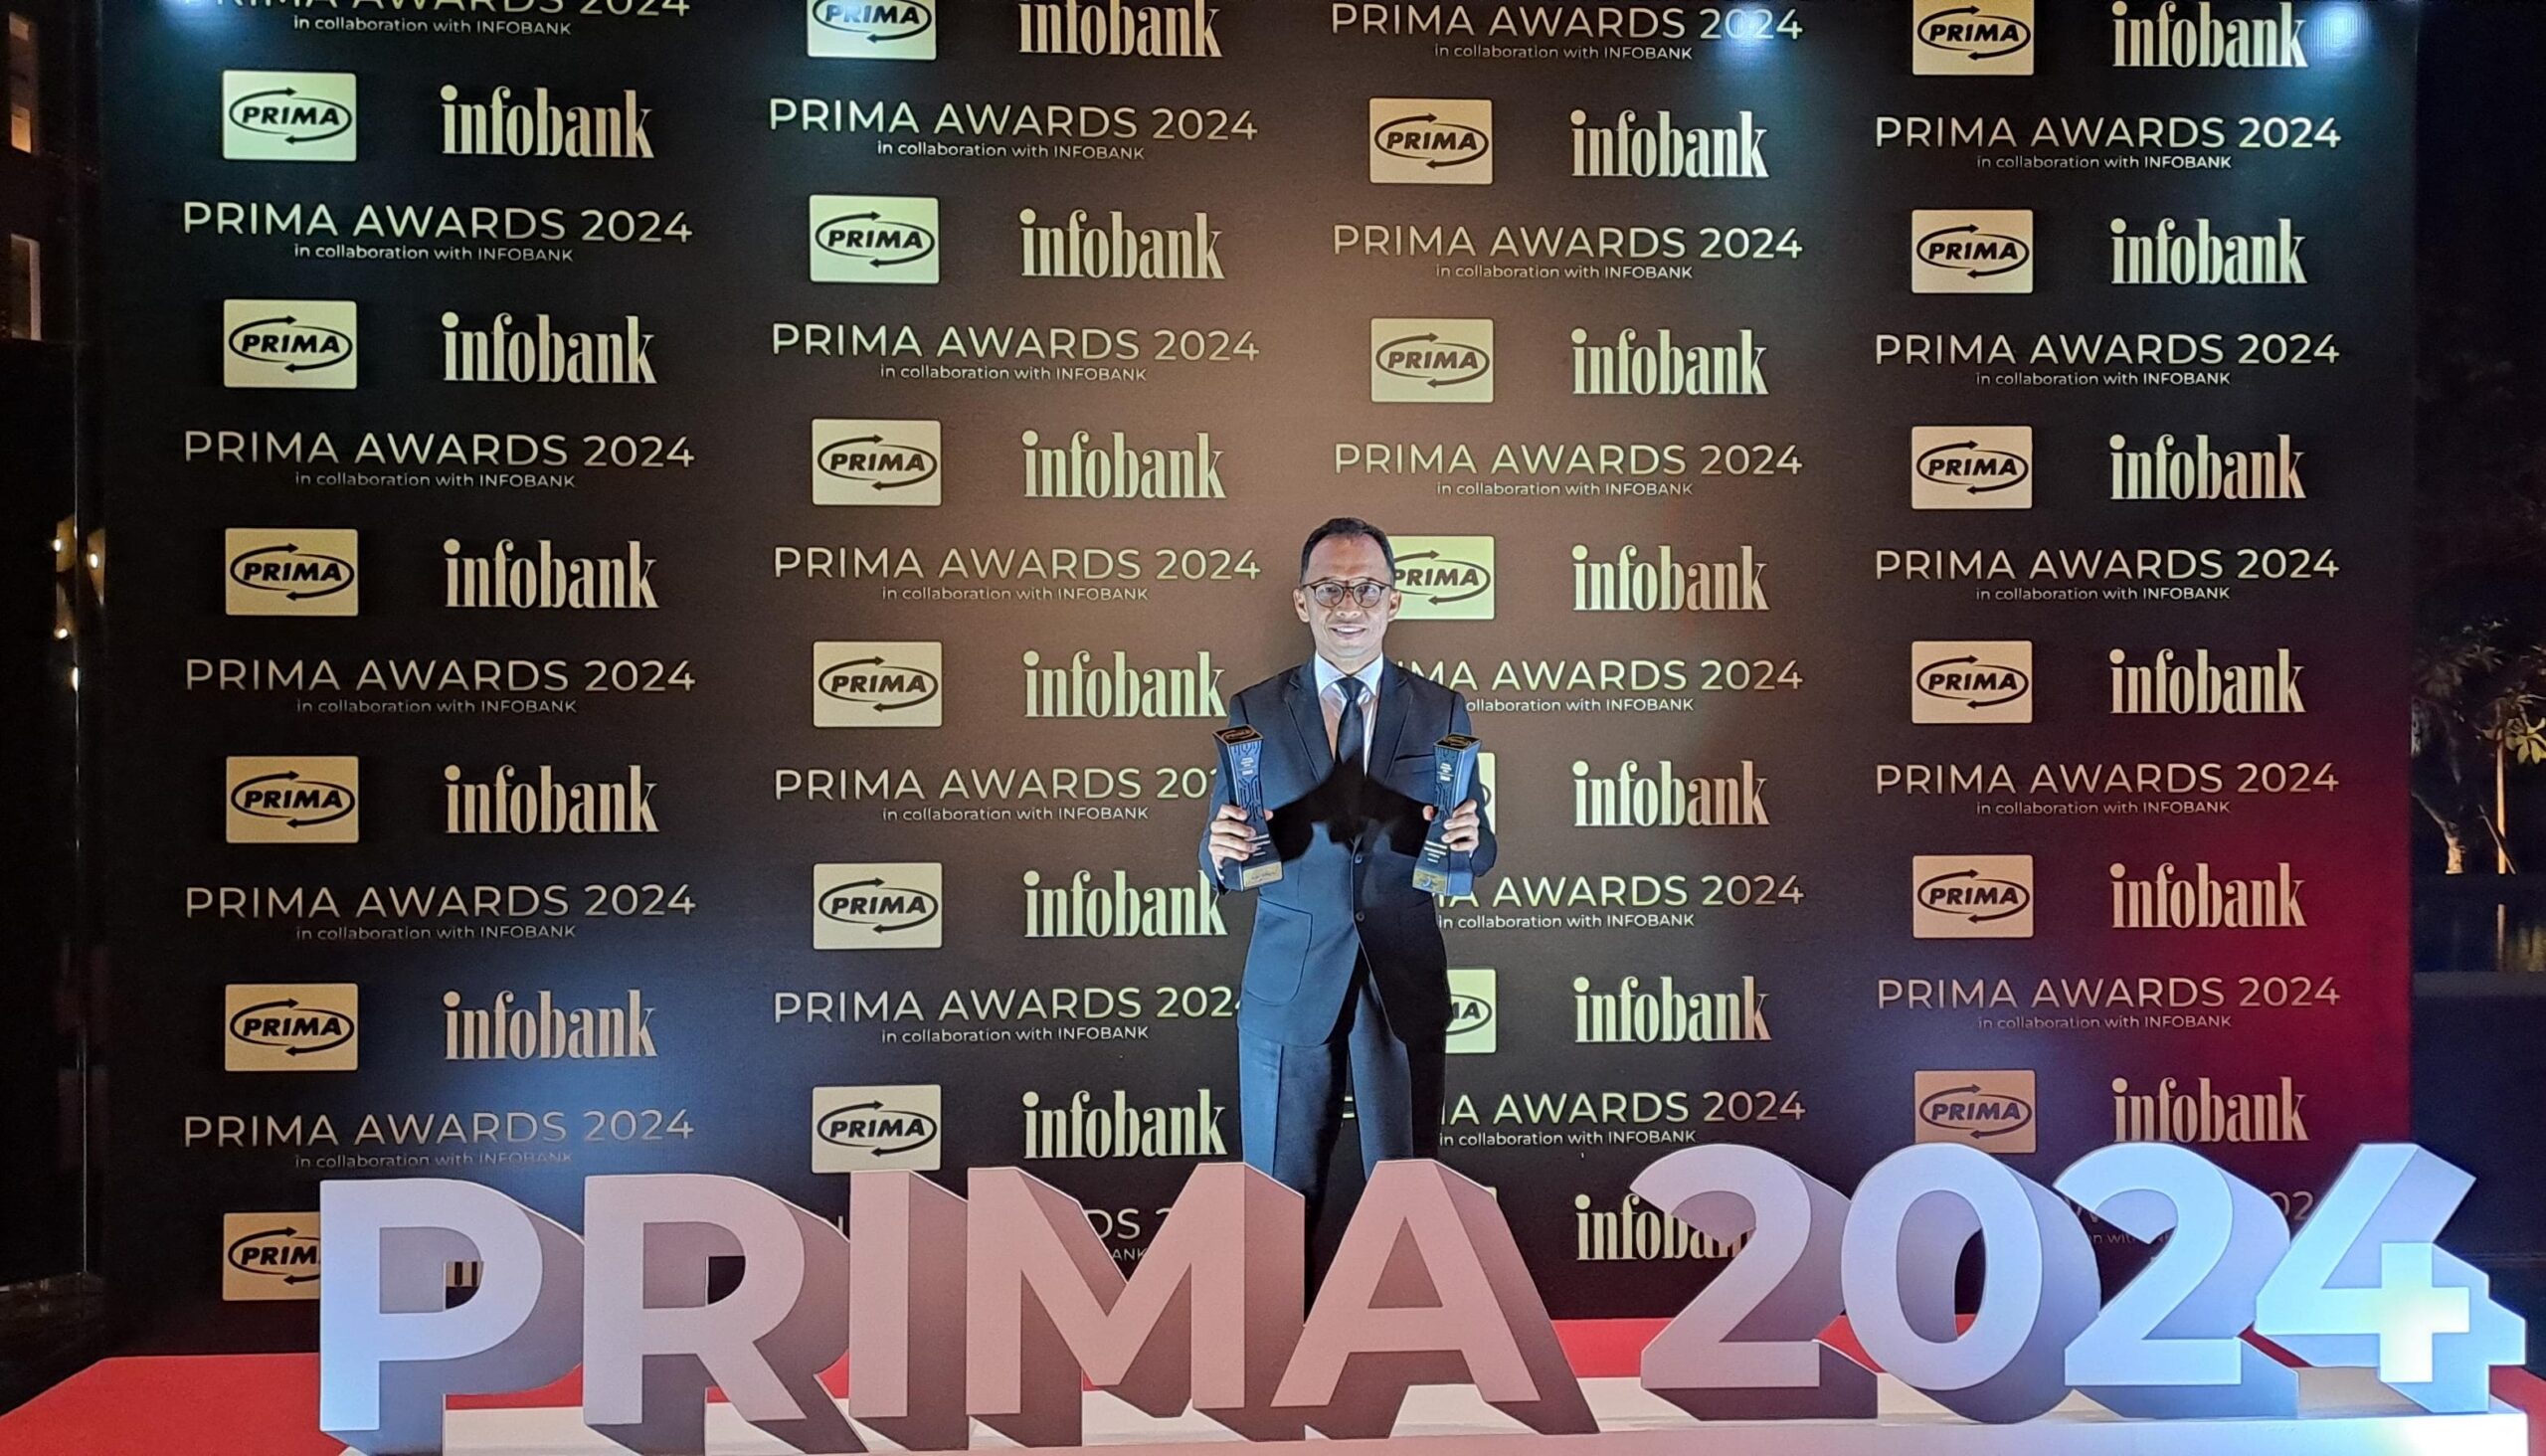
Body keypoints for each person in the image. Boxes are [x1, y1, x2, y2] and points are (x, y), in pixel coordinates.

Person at [1199, 517, 1495, 1229]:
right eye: (1329, 588)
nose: (1348, 605)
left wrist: (1469, 841)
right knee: (1277, 1203)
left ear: (1394, 600)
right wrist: (1219, 850)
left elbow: (1476, 846)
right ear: (1301, 601)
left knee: (1409, 1198)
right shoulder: (1255, 708)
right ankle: (1282, 1310)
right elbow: (1221, 846)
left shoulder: (1441, 708)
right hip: (1289, 980)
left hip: (1402, 977)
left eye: (1366, 588)